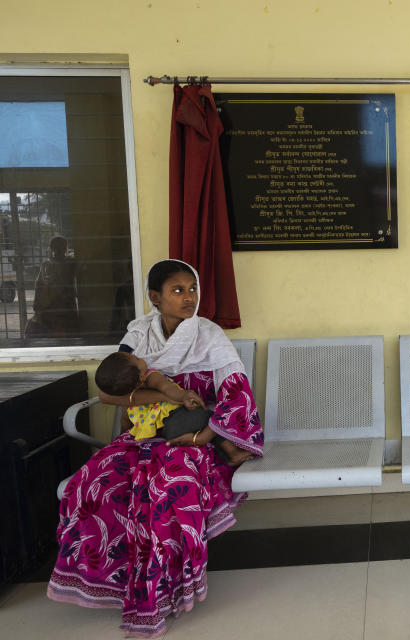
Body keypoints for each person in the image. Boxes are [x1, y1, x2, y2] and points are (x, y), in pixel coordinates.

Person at [48, 259, 264, 637]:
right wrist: (168, 392)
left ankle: (162, 590)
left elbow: (236, 396)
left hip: (200, 438)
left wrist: (203, 437)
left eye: (192, 289)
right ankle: (121, 584)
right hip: (145, 436)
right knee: (95, 482)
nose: (189, 298)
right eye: (178, 290)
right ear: (155, 297)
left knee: (167, 486)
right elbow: (111, 392)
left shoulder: (208, 335)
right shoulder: (137, 336)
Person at [93, 351, 250, 465]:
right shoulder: (149, 376)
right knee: (210, 418)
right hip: (177, 421)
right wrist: (182, 396)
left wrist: (120, 441)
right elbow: (166, 387)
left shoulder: (129, 402)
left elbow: (125, 423)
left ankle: (227, 453)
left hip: (171, 428)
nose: (139, 356)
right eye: (136, 358)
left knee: (205, 422)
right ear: (141, 378)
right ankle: (232, 453)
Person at [27, 235, 79, 337]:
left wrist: (37, 308)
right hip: (67, 309)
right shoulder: (71, 263)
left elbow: (39, 287)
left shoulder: (46, 265)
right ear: (66, 248)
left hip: (49, 311)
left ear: (51, 249)